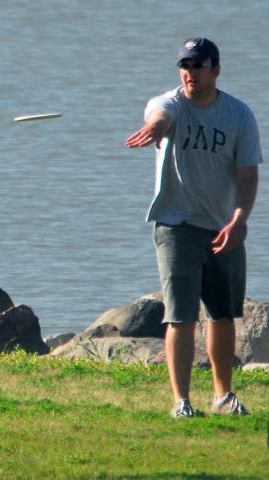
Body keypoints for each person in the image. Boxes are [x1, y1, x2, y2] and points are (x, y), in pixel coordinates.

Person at [125, 37, 260, 418]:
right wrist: (155, 128)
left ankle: (223, 395)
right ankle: (181, 401)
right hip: (176, 224)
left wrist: (238, 220)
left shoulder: (238, 115)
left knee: (222, 314)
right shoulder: (170, 105)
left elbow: (247, 175)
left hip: (223, 227)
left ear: (215, 69)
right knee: (180, 315)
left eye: (198, 66)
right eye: (185, 66)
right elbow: (160, 115)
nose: (190, 73)